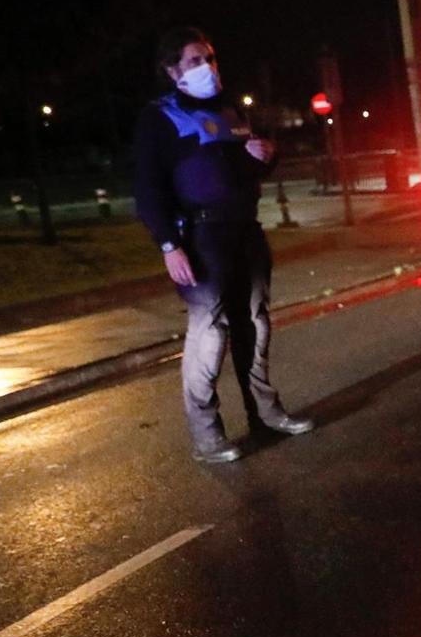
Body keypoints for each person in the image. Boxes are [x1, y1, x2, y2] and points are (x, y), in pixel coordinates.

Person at [134, 27, 313, 462]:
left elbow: (242, 172)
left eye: (210, 58)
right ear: (173, 69)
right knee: (210, 333)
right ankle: (207, 435)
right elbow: (148, 189)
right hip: (200, 237)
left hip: (243, 230)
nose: (207, 68)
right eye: (196, 61)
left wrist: (265, 158)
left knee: (255, 323)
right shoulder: (159, 118)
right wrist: (168, 245)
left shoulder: (230, 109)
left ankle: (266, 414)